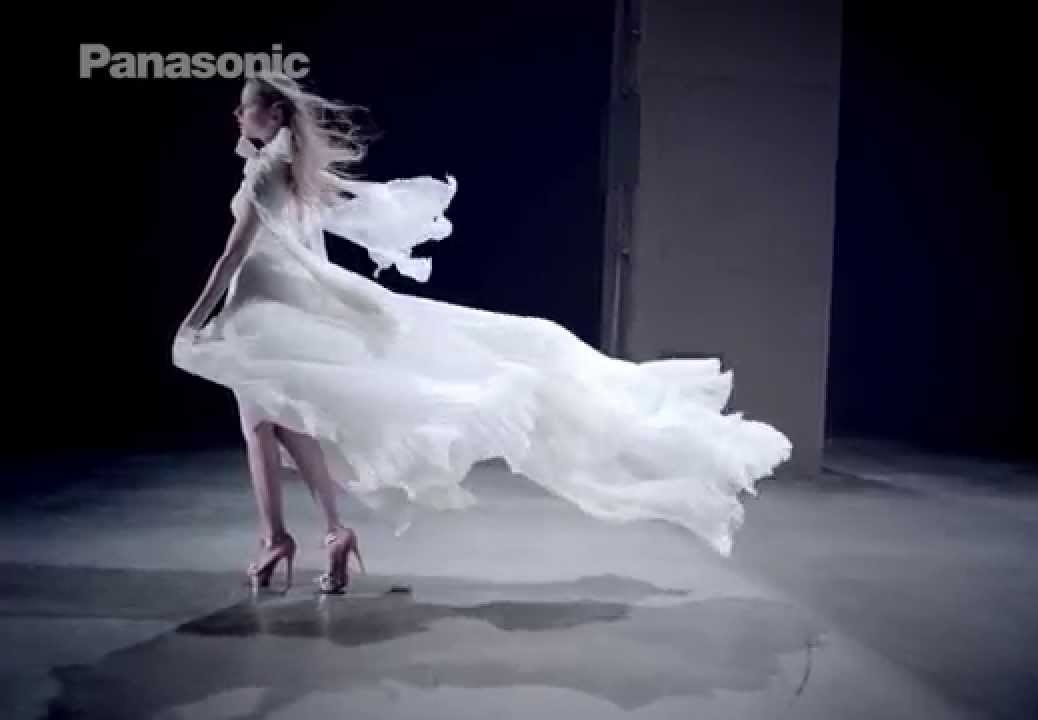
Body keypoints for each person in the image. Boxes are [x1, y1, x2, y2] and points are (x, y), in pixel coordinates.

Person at [172, 72, 792, 595]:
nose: (237, 115)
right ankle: (327, 534)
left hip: (264, 309)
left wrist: (193, 319)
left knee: (264, 424)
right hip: (291, 306)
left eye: (245, 107)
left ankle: (279, 539)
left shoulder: (266, 174)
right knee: (286, 421)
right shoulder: (294, 170)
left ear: (273, 113)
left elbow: (233, 257)